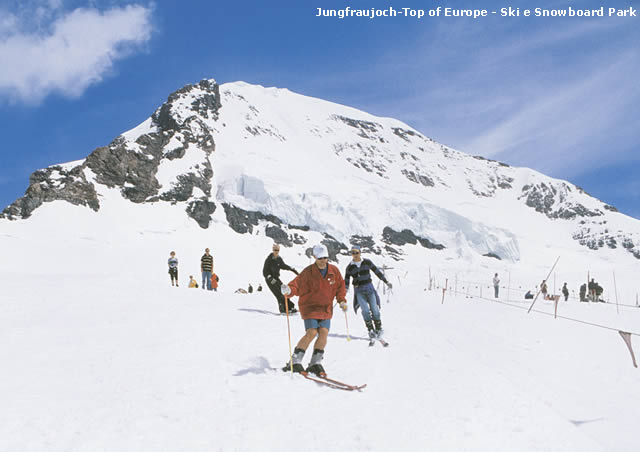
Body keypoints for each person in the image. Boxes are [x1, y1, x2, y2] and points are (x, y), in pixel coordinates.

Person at [281, 244, 347, 375]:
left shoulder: (334, 271)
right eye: (320, 258)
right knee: (311, 332)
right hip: (310, 306)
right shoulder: (308, 272)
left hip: (326, 308)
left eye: (325, 258)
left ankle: (315, 362)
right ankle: (294, 361)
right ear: (314, 257)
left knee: (323, 332)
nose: (323, 261)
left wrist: (341, 300)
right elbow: (296, 285)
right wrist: (289, 290)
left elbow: (340, 287)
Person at [344, 245, 391, 340]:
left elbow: (377, 272)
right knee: (365, 310)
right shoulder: (349, 267)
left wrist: (386, 281)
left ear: (360, 252)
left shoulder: (367, 262)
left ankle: (378, 329)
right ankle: (370, 330)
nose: (355, 255)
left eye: (357, 252)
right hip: (359, 291)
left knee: (375, 309)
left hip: (370, 289)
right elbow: (346, 280)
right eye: (353, 253)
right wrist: (344, 291)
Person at [263, 243, 298, 313]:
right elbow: (265, 271)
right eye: (275, 250)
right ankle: (283, 309)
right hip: (270, 280)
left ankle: (290, 307)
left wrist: (291, 269)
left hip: (276, 278)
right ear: (272, 250)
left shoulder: (279, 259)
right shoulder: (269, 259)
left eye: (277, 250)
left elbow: (283, 265)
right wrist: (269, 278)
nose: (276, 251)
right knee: (278, 293)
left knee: (284, 291)